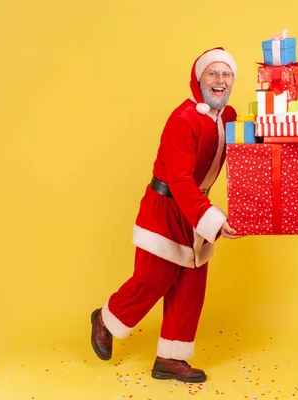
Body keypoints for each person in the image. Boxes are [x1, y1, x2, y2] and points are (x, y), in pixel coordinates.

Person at [90, 47, 241, 384]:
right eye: (212, 74)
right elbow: (180, 180)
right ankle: (105, 319)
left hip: (195, 209)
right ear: (198, 79)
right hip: (167, 207)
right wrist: (215, 222)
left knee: (190, 286)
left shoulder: (228, 117)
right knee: (152, 280)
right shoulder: (183, 119)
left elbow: (254, 149)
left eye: (226, 74)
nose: (220, 81)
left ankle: (171, 360)